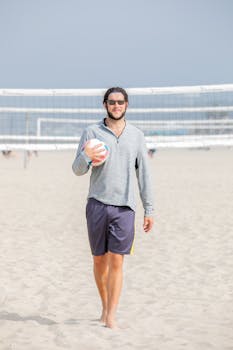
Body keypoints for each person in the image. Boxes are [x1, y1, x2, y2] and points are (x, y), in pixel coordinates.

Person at [72, 87, 154, 329]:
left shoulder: (137, 135)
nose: (116, 106)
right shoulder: (92, 132)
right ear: (105, 104)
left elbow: (144, 174)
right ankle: (105, 305)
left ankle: (111, 316)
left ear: (127, 105)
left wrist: (149, 209)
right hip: (97, 204)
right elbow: (77, 170)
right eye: (112, 102)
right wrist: (86, 155)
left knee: (117, 260)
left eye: (120, 102)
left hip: (125, 208)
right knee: (99, 261)